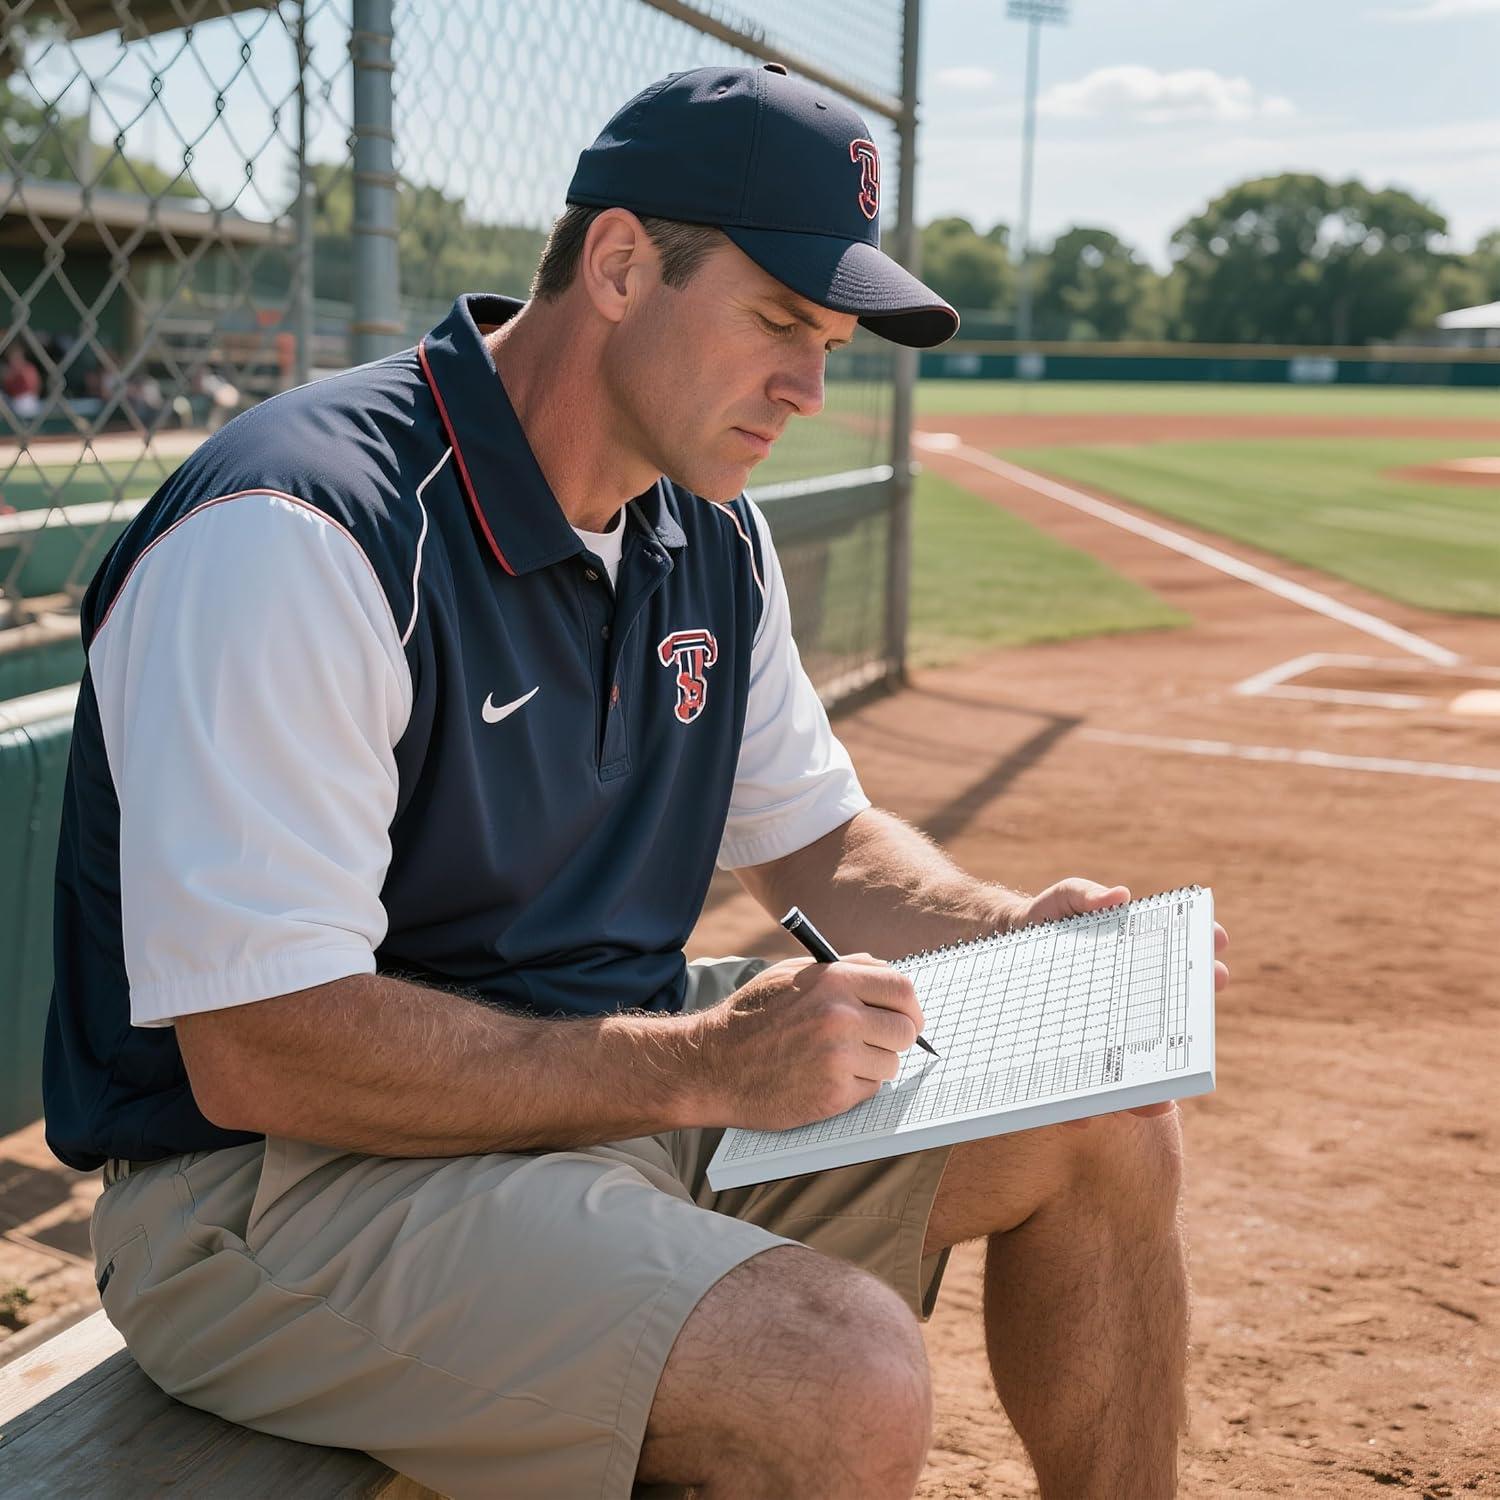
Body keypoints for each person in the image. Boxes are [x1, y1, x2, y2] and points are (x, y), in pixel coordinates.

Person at [44, 64, 1229, 1499]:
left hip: (610, 1087)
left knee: (1105, 1109)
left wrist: (1003, 934)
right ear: (617, 264)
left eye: (833, 340)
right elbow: (263, 1048)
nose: (809, 384)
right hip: (277, 1184)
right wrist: (709, 1064)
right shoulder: (301, 530)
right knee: (832, 1369)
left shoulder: (706, 537)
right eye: (781, 322)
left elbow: (821, 845)